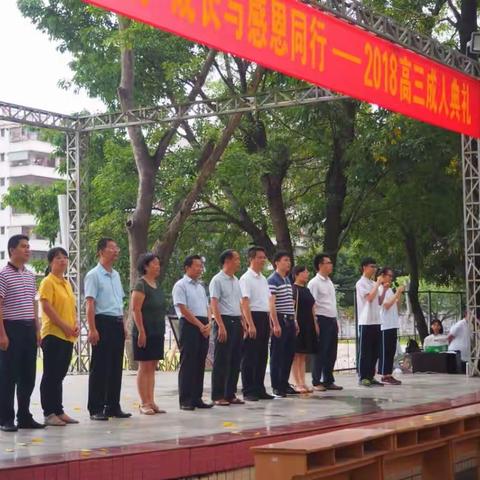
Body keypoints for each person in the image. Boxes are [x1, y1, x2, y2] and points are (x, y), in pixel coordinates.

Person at [0, 235, 44, 432]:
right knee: (8, 376)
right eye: (23, 247)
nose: (28, 250)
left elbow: (33, 305)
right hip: (11, 328)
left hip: (28, 329)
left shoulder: (30, 275)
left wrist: (37, 329)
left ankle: (24, 416)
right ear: (12, 250)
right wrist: (2, 334)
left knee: (28, 375)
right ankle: (6, 418)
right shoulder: (3, 275)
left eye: (29, 246)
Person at [85, 238, 131, 420]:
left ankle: (113, 405)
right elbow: (90, 304)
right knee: (100, 367)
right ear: (101, 251)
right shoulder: (93, 275)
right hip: (102, 322)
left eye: (116, 247)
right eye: (112, 248)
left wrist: (124, 324)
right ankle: (96, 407)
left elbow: (119, 302)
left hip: (117, 322)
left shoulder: (116, 275)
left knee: (115, 366)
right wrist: (92, 329)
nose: (116, 251)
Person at [39, 247, 80, 426]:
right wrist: (64, 326)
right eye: (58, 258)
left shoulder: (66, 282)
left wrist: (75, 324)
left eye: (65, 258)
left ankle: (59, 410)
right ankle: (49, 413)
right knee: (51, 374)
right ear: (51, 262)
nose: (62, 261)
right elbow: (47, 307)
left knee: (60, 374)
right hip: (54, 334)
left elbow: (71, 307)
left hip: (67, 335)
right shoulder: (48, 282)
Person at [172, 254, 213, 411]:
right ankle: (186, 399)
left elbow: (207, 307)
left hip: (203, 324)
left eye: (201, 266)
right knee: (188, 362)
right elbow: (183, 309)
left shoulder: (201, 287)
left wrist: (209, 323)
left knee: (199, 362)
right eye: (197, 266)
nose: (200, 269)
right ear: (187, 267)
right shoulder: (180, 285)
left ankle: (197, 397)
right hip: (189, 325)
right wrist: (199, 325)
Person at [239, 246, 277, 401]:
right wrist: (250, 324)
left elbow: (266, 301)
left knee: (262, 354)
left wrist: (270, 322)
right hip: (252, 316)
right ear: (252, 259)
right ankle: (248, 390)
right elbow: (245, 302)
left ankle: (259, 387)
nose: (263, 260)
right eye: (260, 257)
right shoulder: (245, 278)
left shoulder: (262, 278)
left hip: (263, 316)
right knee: (250, 356)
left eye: (264, 257)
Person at [131, 253, 166, 415]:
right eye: (154, 264)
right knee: (144, 366)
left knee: (152, 366)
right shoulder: (141, 285)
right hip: (144, 331)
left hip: (157, 331)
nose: (157, 266)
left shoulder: (157, 284)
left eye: (158, 264)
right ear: (145, 266)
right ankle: (143, 402)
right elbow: (135, 309)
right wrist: (141, 331)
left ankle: (151, 401)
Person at [209, 250, 245, 406]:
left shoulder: (236, 280)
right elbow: (214, 304)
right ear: (228, 261)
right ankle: (218, 395)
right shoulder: (217, 280)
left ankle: (230, 394)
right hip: (223, 321)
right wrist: (221, 325)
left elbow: (239, 302)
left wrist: (243, 320)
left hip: (236, 321)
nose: (239, 262)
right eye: (236, 259)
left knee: (235, 359)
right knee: (222, 360)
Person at [308, 253, 342, 391]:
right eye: (328, 262)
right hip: (321, 319)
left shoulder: (329, 282)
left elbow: (332, 303)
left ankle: (328, 379)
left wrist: (336, 320)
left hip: (331, 319)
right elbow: (312, 305)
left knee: (331, 352)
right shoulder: (314, 283)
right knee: (320, 351)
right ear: (320, 265)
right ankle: (316, 381)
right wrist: (314, 323)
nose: (331, 265)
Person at [268, 251, 298, 398]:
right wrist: (275, 324)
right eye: (285, 260)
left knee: (288, 354)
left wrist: (295, 320)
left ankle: (284, 383)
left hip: (290, 319)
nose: (288, 263)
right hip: (280, 319)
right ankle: (276, 385)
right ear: (277, 263)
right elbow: (271, 304)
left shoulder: (287, 280)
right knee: (277, 354)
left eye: (289, 260)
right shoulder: (273, 280)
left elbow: (290, 303)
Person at [356, 257, 384, 387]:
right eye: (372, 266)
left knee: (375, 351)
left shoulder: (373, 284)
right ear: (364, 267)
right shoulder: (360, 283)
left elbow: (379, 301)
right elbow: (369, 298)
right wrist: (378, 284)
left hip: (376, 320)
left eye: (375, 266)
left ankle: (371, 375)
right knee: (365, 351)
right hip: (365, 321)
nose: (374, 269)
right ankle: (363, 376)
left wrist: (382, 288)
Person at [291, 265, 317, 393]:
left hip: (308, 324)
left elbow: (312, 308)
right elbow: (292, 308)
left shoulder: (306, 290)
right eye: (304, 272)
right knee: (296, 354)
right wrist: (294, 322)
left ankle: (303, 381)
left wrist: (315, 323)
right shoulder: (294, 289)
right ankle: (297, 383)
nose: (307, 274)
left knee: (303, 355)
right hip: (298, 324)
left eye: (307, 271)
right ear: (297, 274)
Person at [378, 267, 404, 386]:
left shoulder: (389, 290)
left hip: (392, 323)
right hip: (385, 324)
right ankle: (385, 374)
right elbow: (386, 305)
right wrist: (397, 293)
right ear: (383, 276)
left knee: (391, 351)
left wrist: (399, 295)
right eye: (389, 275)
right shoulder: (380, 289)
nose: (391, 278)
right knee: (385, 350)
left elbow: (395, 305)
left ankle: (389, 373)